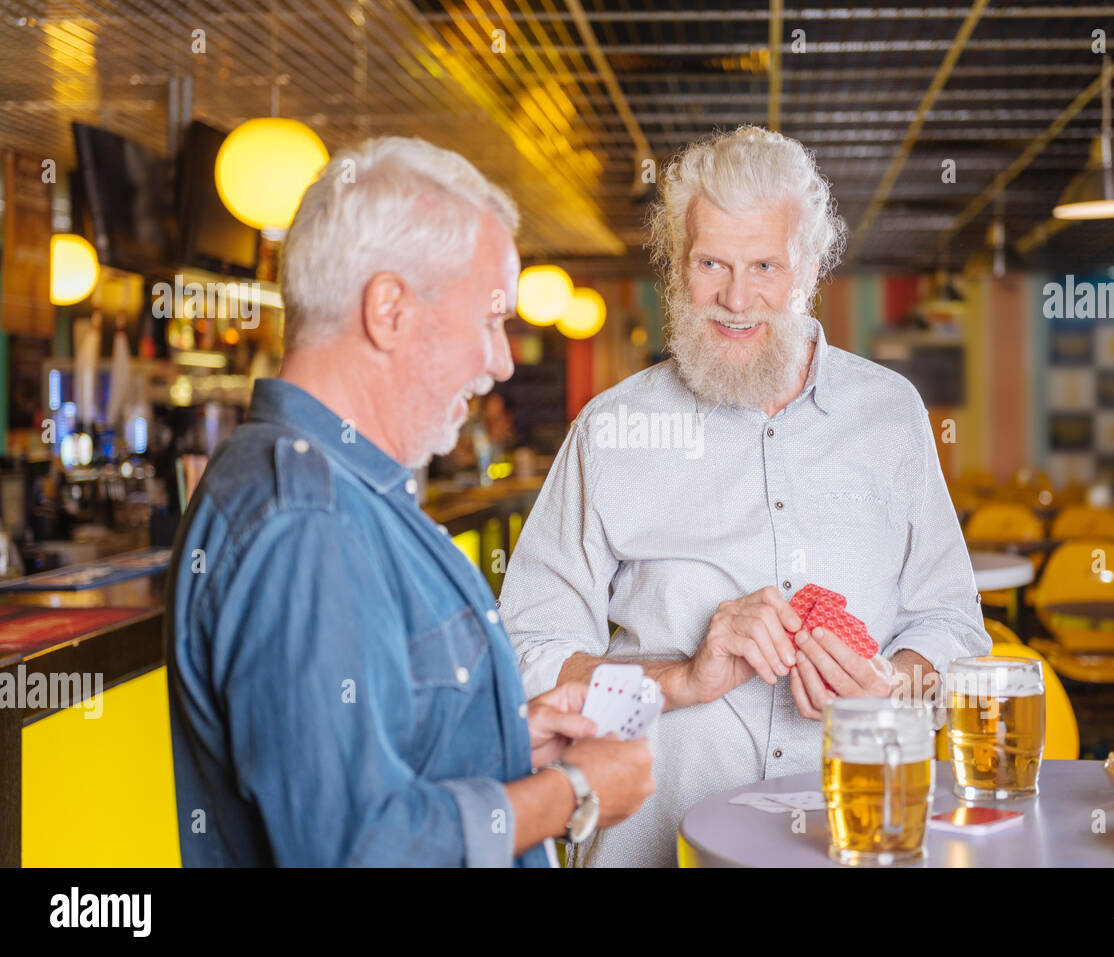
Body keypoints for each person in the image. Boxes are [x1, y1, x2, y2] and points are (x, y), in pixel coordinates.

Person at [499, 126, 989, 867]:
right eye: (710, 263)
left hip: (857, 839)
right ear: (676, 265)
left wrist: (895, 683)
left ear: (811, 265)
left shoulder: (892, 413)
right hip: (653, 846)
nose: (735, 297)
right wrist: (679, 678)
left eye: (764, 264)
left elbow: (952, 623)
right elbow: (526, 651)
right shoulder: (612, 428)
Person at [166, 137, 653, 867]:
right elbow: (352, 846)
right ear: (389, 309)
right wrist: (575, 790)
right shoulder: (308, 524)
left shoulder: (340, 493)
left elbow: (374, 752)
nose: (503, 360)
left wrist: (510, 740)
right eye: (490, 320)